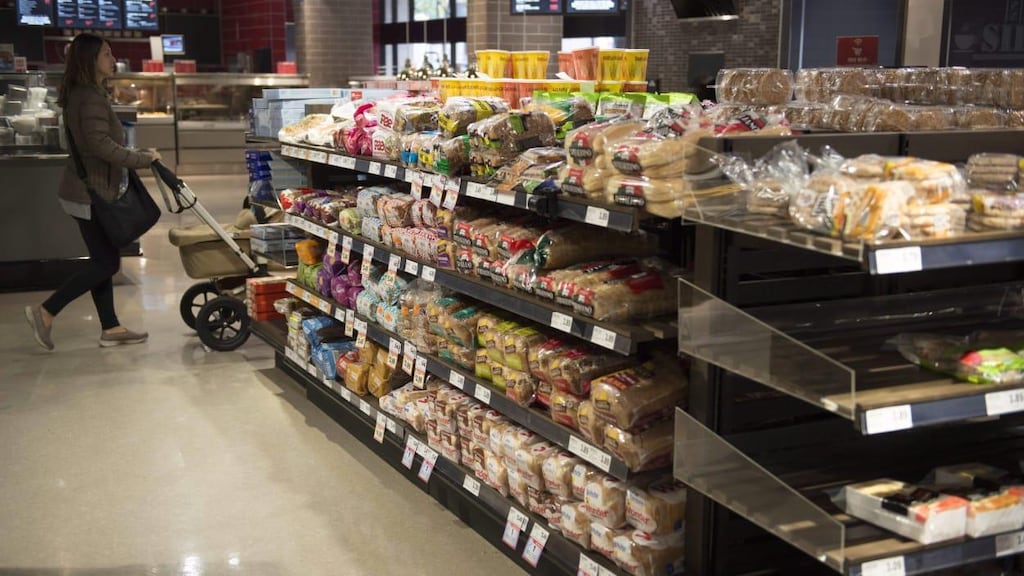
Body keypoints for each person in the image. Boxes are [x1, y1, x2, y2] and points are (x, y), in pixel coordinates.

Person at [25, 33, 161, 351]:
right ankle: (45, 312)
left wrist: (137, 152)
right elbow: (101, 146)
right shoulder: (89, 98)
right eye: (106, 54)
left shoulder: (83, 93)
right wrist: (143, 159)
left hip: (83, 190)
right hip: (90, 194)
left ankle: (110, 327)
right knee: (105, 263)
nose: (112, 59)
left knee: (104, 258)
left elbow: (96, 142)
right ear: (90, 60)